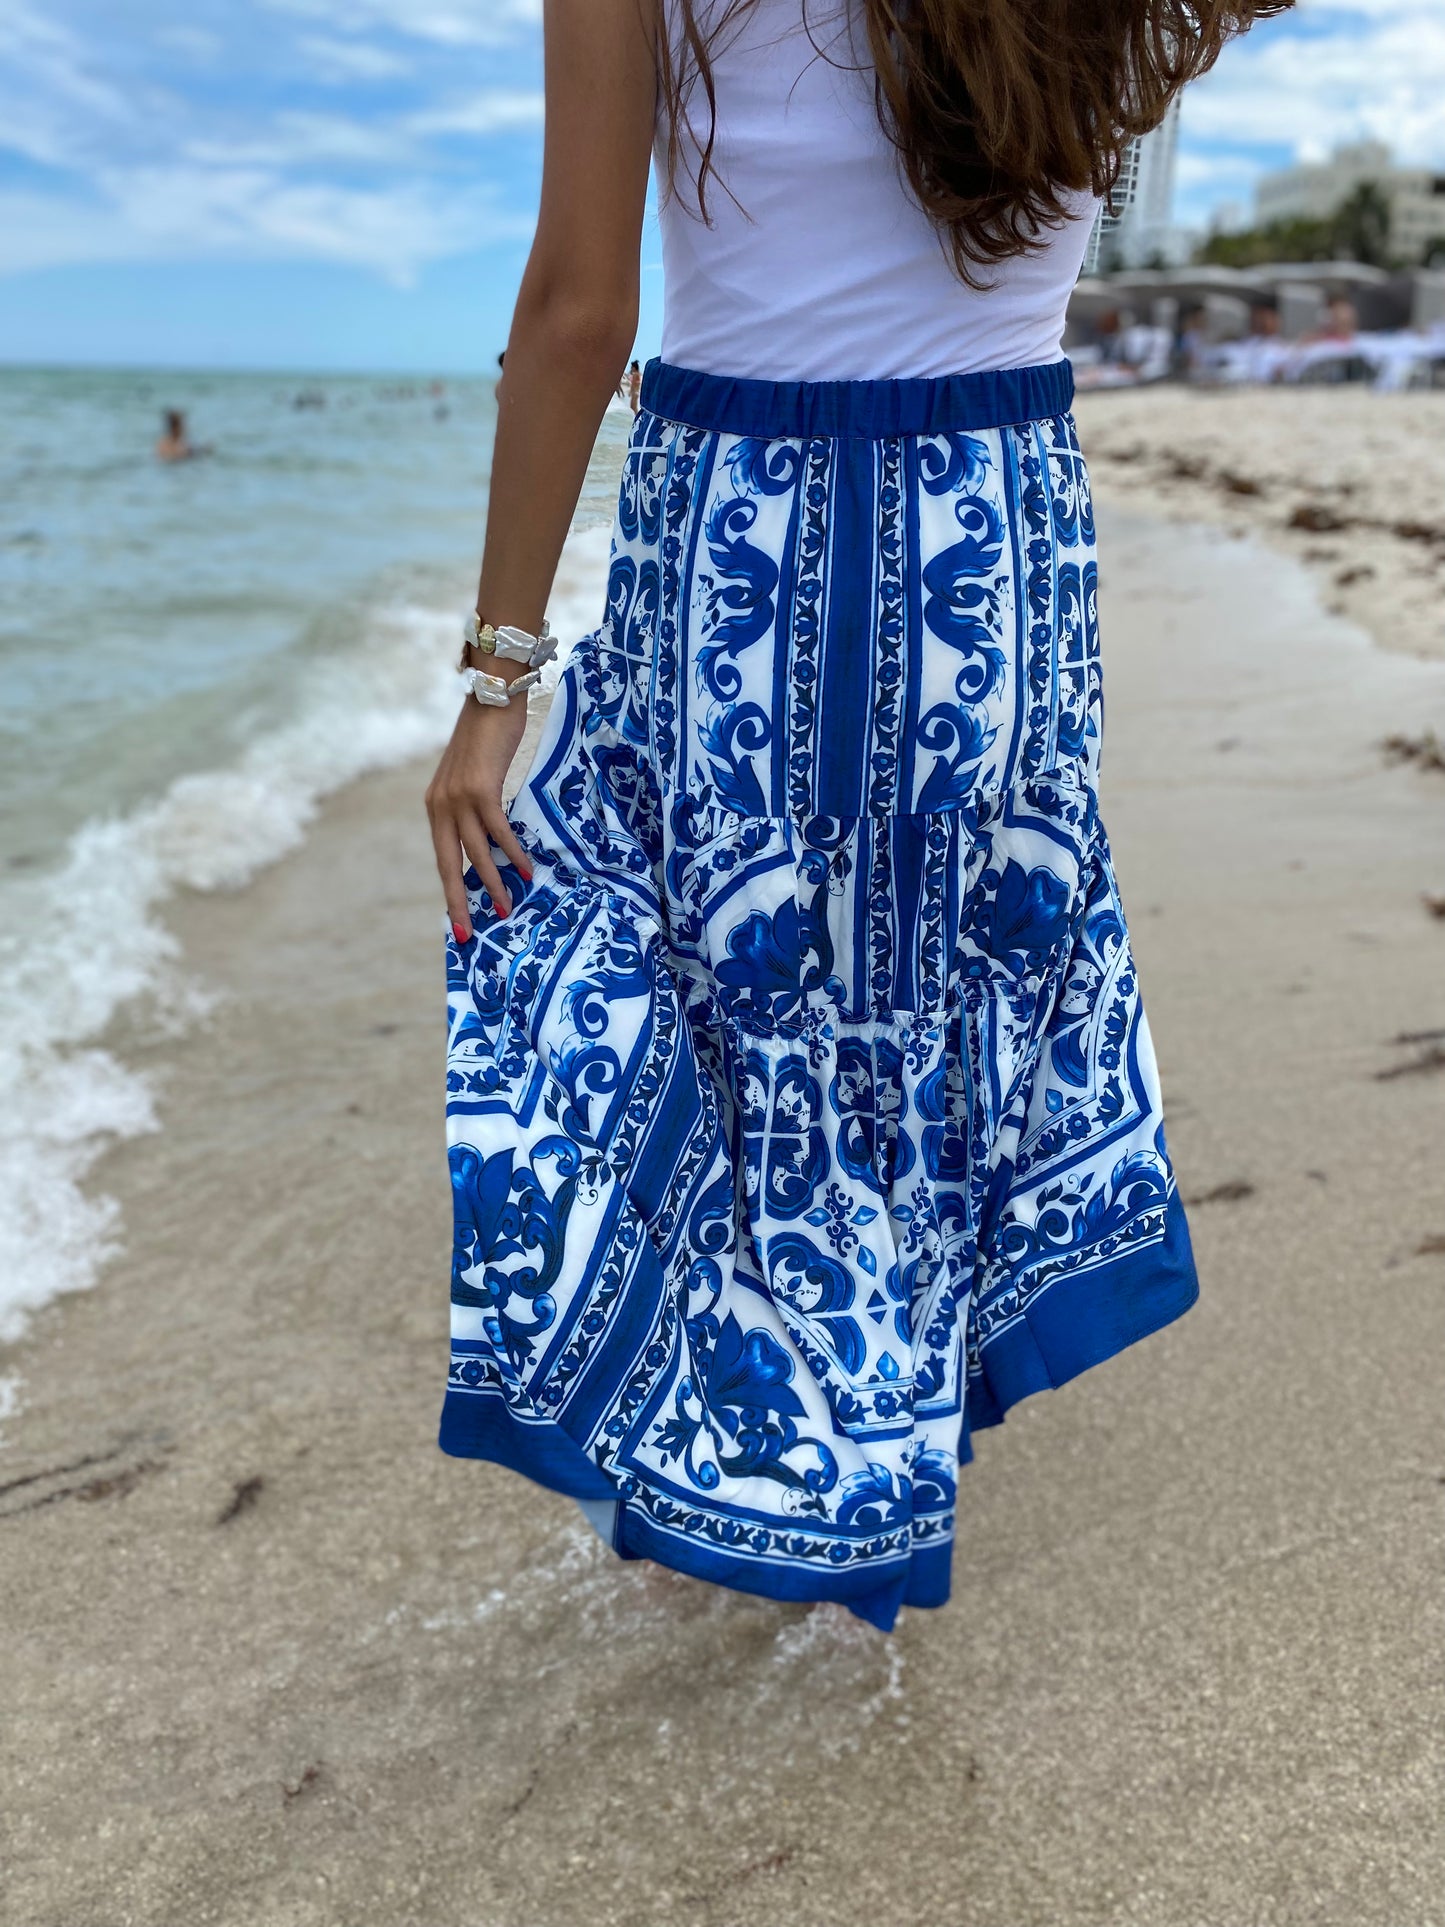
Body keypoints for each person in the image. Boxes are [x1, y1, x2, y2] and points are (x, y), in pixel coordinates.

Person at [425, 0, 1287, 1631]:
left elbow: (575, 307)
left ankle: (787, 1473)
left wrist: (495, 682)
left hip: (748, 541)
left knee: (699, 1003)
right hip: (1001, 544)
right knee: (930, 1017)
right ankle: (867, 1455)